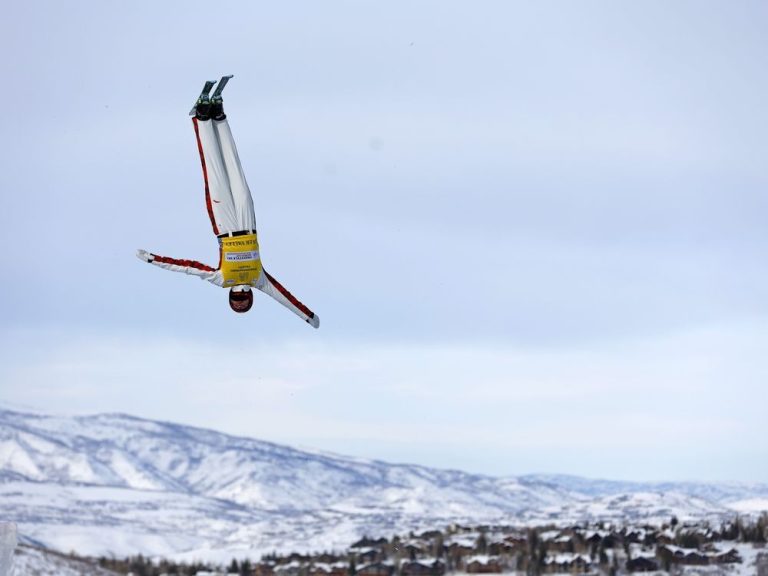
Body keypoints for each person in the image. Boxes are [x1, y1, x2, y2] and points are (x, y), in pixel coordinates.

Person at [137, 78, 319, 328]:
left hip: (225, 225)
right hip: (248, 221)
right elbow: (285, 298)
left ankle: (203, 119)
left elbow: (188, 268)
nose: (240, 293)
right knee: (234, 167)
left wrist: (153, 259)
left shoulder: (222, 279)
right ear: (251, 295)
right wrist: (308, 316)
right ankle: (219, 118)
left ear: (231, 296)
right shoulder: (260, 280)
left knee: (215, 171)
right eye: (243, 298)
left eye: (237, 298)